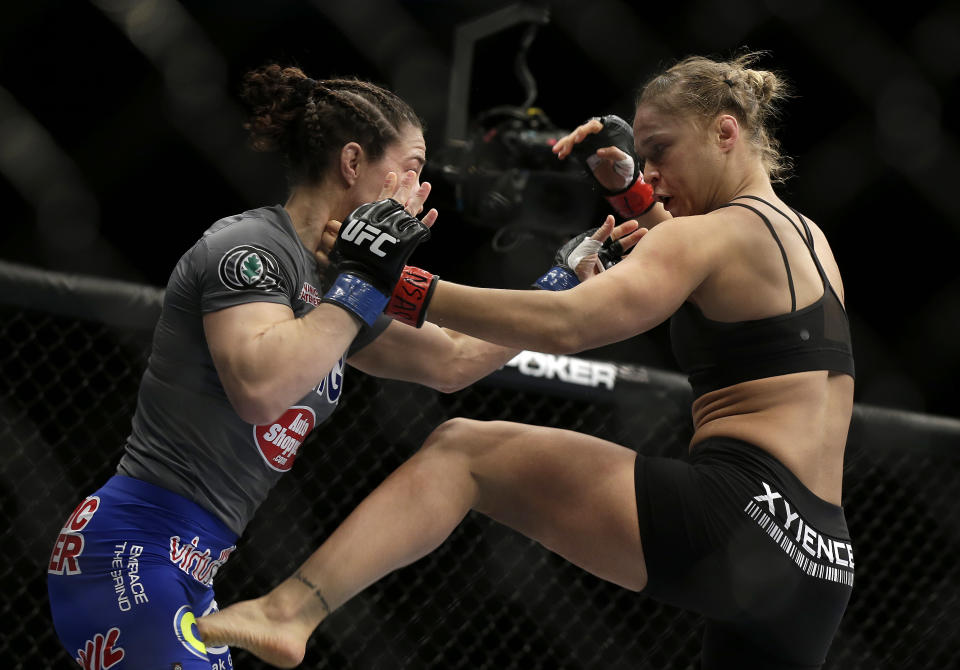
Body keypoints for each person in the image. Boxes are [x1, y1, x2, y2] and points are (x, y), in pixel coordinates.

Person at [197, 51, 856, 670]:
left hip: (738, 514)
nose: (649, 171)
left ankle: (291, 610)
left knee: (463, 451)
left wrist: (396, 280)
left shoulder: (706, 236)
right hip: (820, 563)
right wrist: (628, 192)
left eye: (660, 152)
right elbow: (705, 264)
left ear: (725, 132)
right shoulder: (809, 240)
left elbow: (570, 324)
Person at [45, 64, 644, 669]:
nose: (421, 187)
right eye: (410, 167)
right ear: (353, 163)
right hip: (128, 552)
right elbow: (260, 389)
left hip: (191, 566)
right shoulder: (250, 249)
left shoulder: (335, 287)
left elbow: (453, 360)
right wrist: (363, 279)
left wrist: (565, 279)